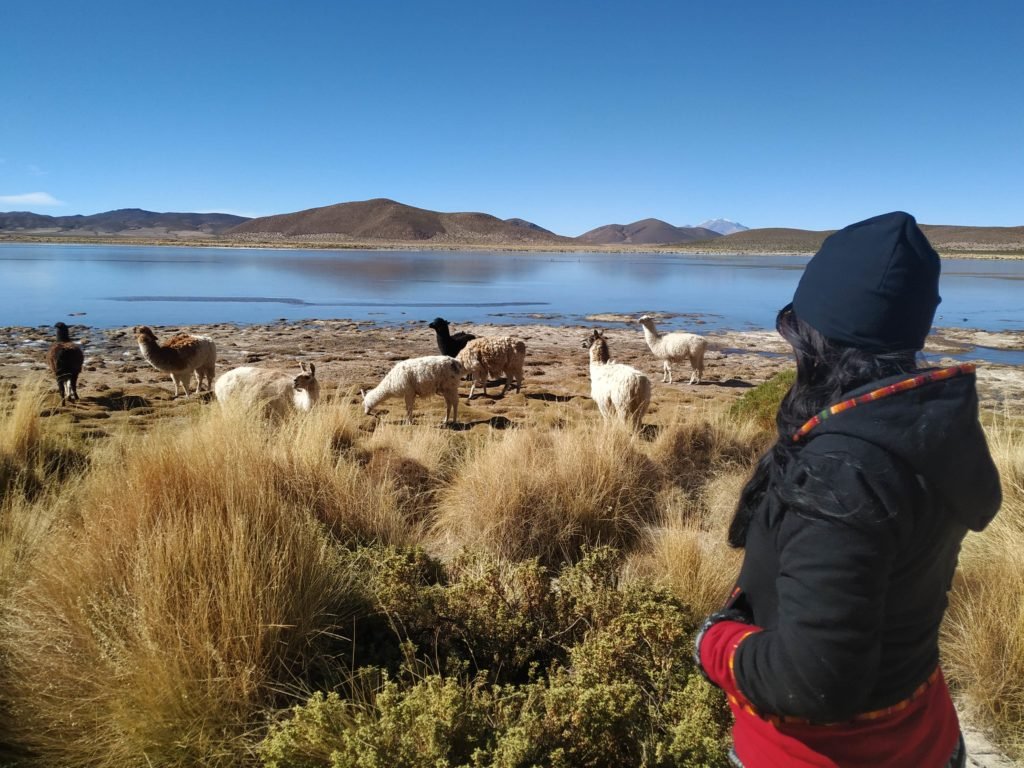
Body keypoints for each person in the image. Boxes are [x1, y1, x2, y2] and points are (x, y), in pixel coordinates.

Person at [694, 211, 1002, 767]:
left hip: (817, 754)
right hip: (923, 731)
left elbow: (814, 680)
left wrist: (713, 644)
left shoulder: (844, 474)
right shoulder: (923, 432)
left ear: (818, 336)